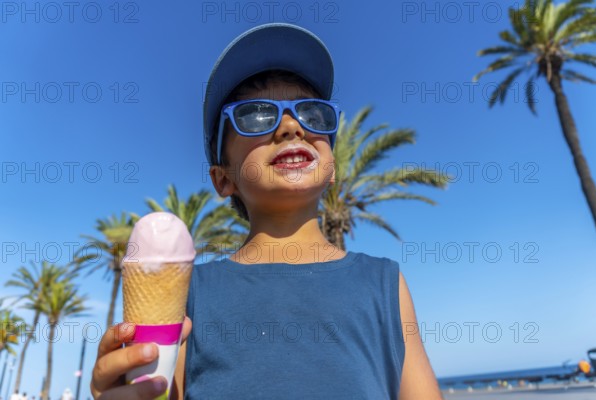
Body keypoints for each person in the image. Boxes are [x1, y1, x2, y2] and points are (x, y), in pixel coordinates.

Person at [90, 23, 442, 399]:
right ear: (223, 179)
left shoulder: (384, 284)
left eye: (314, 114)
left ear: (333, 165)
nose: (291, 127)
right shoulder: (191, 295)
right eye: (255, 114)